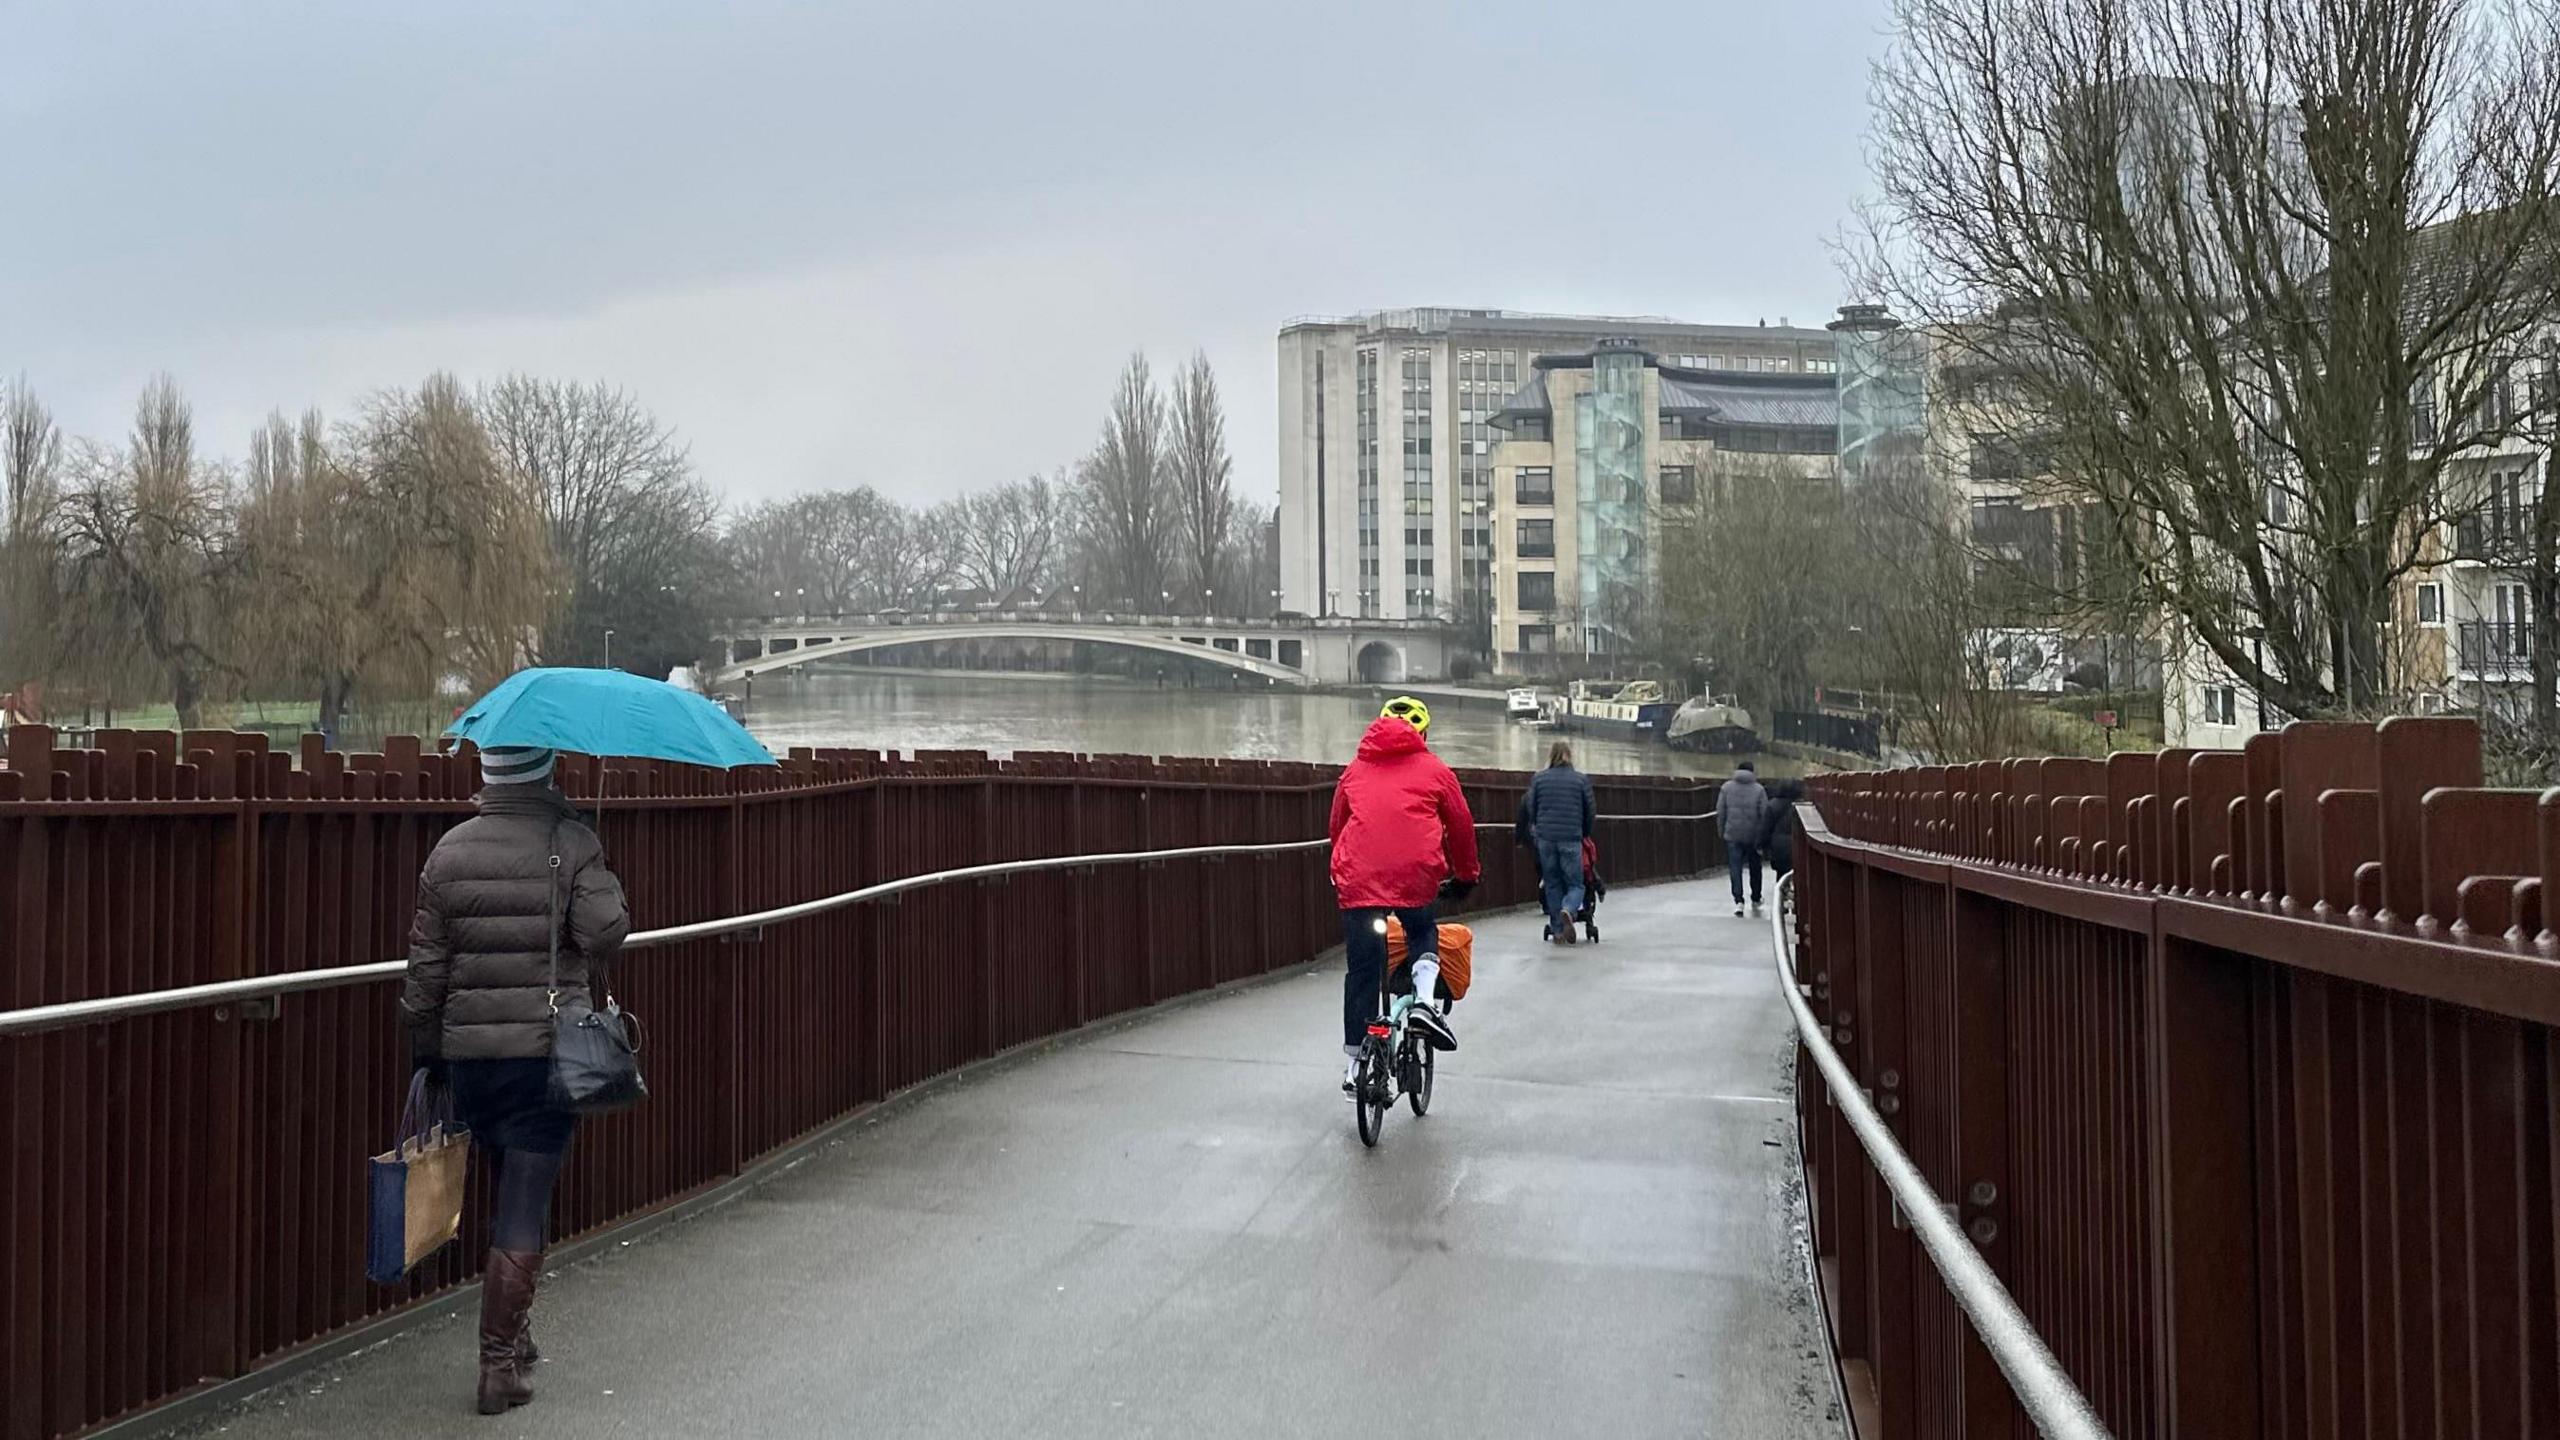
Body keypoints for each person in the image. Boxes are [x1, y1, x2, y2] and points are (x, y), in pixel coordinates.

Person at [400, 745, 629, 1416]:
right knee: (524, 1203)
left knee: (502, 1191)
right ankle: (497, 1365)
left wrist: (427, 1049)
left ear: (488, 776)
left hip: (471, 1058)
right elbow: (605, 934)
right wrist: (596, 863)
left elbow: (425, 975)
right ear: (547, 774)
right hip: (544, 1053)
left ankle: (517, 1337)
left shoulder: (449, 853)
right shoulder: (572, 840)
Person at [1328, 696, 1479, 1096]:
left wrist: (1341, 870)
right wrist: (1465, 877)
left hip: (1359, 879)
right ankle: (1425, 1004)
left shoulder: (1355, 769)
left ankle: (1354, 1064)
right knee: (1420, 928)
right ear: (1424, 734)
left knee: (1362, 970)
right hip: (1415, 875)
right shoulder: (1436, 770)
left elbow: (1337, 826)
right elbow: (1461, 826)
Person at [1523, 739, 1595, 944]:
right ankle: (1569, 909)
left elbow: (1531, 806)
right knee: (1576, 884)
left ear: (1551, 756)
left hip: (1546, 839)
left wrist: (1537, 827)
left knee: (1552, 883)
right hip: (1571, 837)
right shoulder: (1581, 780)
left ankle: (1558, 930)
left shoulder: (1539, 779)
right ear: (1569, 756)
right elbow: (1590, 810)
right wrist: (1584, 833)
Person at [1716, 760, 1774, 917]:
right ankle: (1755, 897)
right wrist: (1764, 837)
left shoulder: (1726, 788)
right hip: (1753, 836)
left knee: (1735, 867)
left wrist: (1721, 831)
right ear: (1752, 772)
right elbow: (1764, 814)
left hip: (1733, 834)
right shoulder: (1759, 789)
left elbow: (1721, 812)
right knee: (1755, 867)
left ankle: (1738, 901)